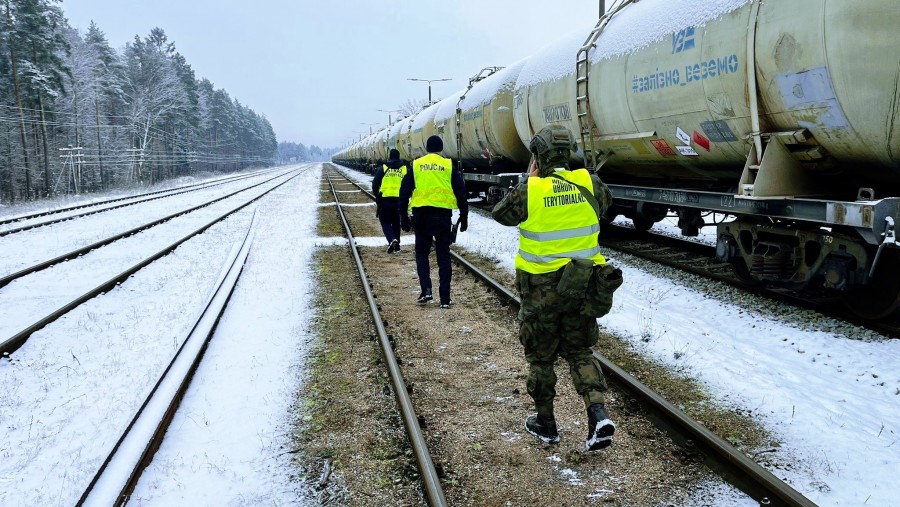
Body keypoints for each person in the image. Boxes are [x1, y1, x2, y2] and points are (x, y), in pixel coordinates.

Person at [491, 124, 617, 451]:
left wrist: (529, 181)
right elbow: (605, 205)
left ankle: (546, 424)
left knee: (541, 359)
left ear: (538, 157)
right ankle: (597, 413)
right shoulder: (590, 183)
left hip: (541, 293)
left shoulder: (530, 190)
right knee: (579, 351)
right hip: (582, 286)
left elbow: (500, 214)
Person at [398, 135, 469, 309]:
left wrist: (403, 217)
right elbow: (461, 192)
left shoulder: (416, 165)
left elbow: (404, 192)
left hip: (421, 217)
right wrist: (464, 217)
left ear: (426, 148)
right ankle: (445, 298)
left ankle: (427, 290)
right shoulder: (447, 165)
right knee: (443, 256)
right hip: (443, 217)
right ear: (440, 148)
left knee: (422, 254)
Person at [372, 148, 407, 253]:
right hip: (399, 200)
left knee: (385, 222)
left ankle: (392, 240)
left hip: (385, 200)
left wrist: (377, 195)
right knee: (396, 221)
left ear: (390, 157)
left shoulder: (383, 168)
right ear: (399, 157)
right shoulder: (404, 169)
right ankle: (397, 246)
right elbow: (408, 184)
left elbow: (375, 183)